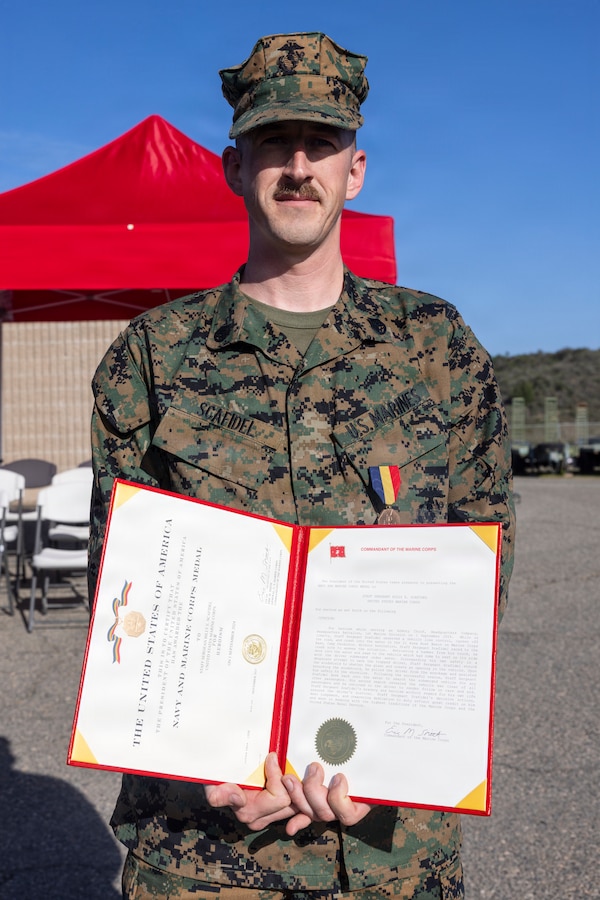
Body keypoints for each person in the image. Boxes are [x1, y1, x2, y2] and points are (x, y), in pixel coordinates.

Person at [89, 31, 515, 900]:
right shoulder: (154, 359)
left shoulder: (433, 348)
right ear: (232, 166)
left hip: (391, 845)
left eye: (320, 144)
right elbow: (124, 599)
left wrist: (400, 746)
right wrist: (207, 758)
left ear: (355, 170)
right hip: (206, 851)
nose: (297, 166)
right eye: (274, 144)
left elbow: (482, 568)